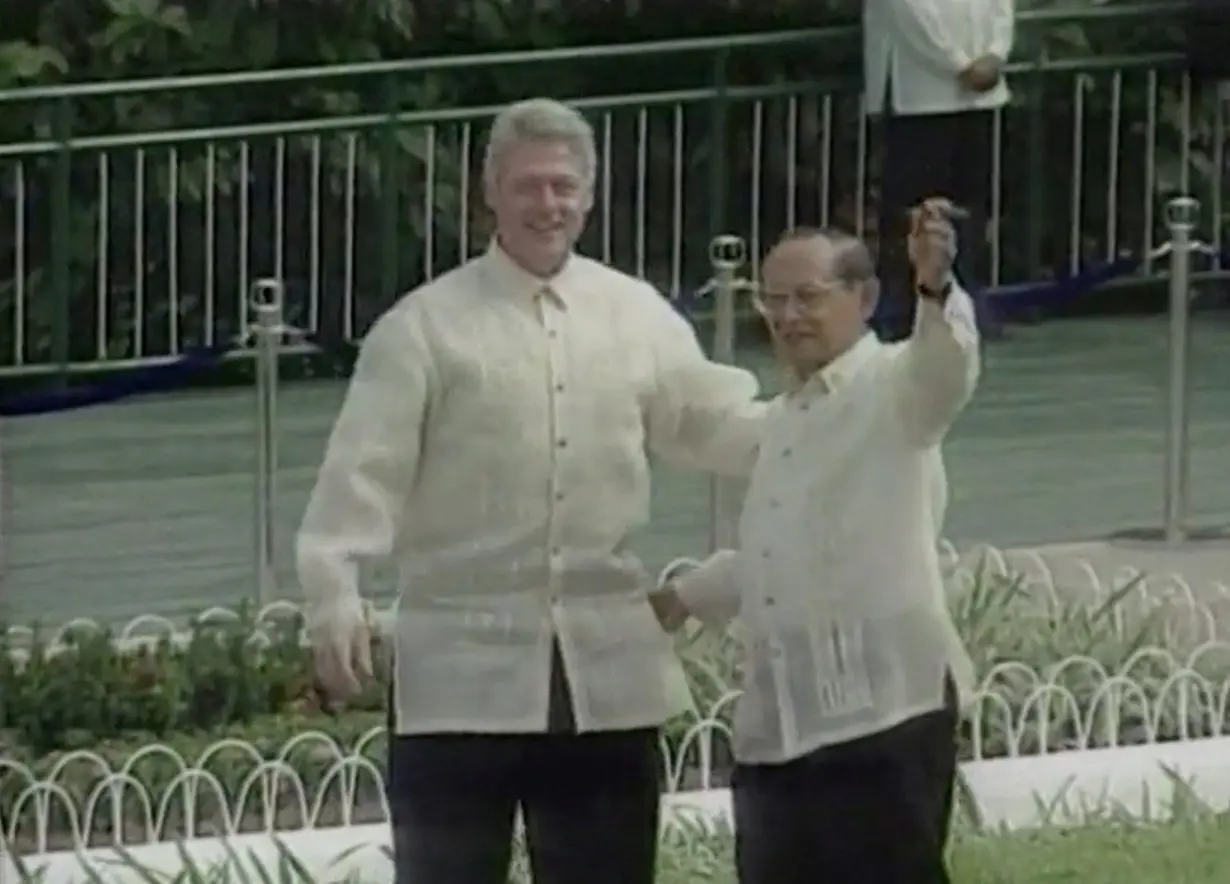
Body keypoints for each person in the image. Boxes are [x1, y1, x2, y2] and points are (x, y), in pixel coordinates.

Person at [296, 97, 767, 884]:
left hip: (606, 669)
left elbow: (713, 423)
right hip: (458, 671)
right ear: (491, 193)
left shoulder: (635, 313)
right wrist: (332, 590)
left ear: (588, 195)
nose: (548, 204)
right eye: (529, 186)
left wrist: (839, 418)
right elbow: (359, 474)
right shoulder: (424, 328)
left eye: (564, 186)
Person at [651, 200, 979, 884]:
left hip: (885, 712)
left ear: (864, 299)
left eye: (807, 297)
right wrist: (684, 596)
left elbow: (945, 370)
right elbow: (787, 546)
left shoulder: (895, 389)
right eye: (773, 300)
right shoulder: (786, 419)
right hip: (780, 726)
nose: (788, 316)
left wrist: (935, 287)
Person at [865, 0, 1016, 340]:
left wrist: (995, 54)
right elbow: (909, 14)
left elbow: (1000, 8)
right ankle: (904, 306)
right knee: (913, 205)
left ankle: (965, 299)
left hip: (980, 97)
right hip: (916, 95)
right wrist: (960, 64)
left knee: (970, 201)